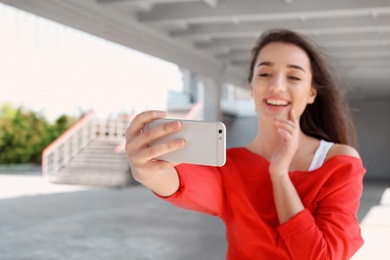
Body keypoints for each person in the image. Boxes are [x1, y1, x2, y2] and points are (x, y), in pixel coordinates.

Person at [125, 29, 365, 259]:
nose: (277, 86)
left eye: (293, 76)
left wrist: (279, 176)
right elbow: (181, 181)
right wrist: (147, 171)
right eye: (264, 74)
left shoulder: (339, 163)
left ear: (312, 93)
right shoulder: (229, 166)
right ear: (251, 87)